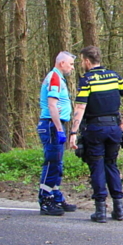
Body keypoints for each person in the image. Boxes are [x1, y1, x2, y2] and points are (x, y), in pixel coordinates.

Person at [68, 46, 123, 223]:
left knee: (97, 166)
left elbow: (80, 107)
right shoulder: (115, 76)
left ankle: (100, 211)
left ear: (87, 61)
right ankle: (119, 209)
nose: (82, 64)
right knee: (111, 164)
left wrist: (73, 132)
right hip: (114, 128)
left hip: (95, 129)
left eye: (82, 61)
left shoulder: (87, 80)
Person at [37, 51, 78, 216]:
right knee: (52, 163)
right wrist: (60, 130)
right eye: (71, 64)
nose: (72, 68)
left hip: (55, 125)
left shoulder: (58, 78)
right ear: (62, 63)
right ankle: (45, 200)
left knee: (57, 165)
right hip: (52, 126)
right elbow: (52, 105)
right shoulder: (54, 78)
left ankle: (55, 196)